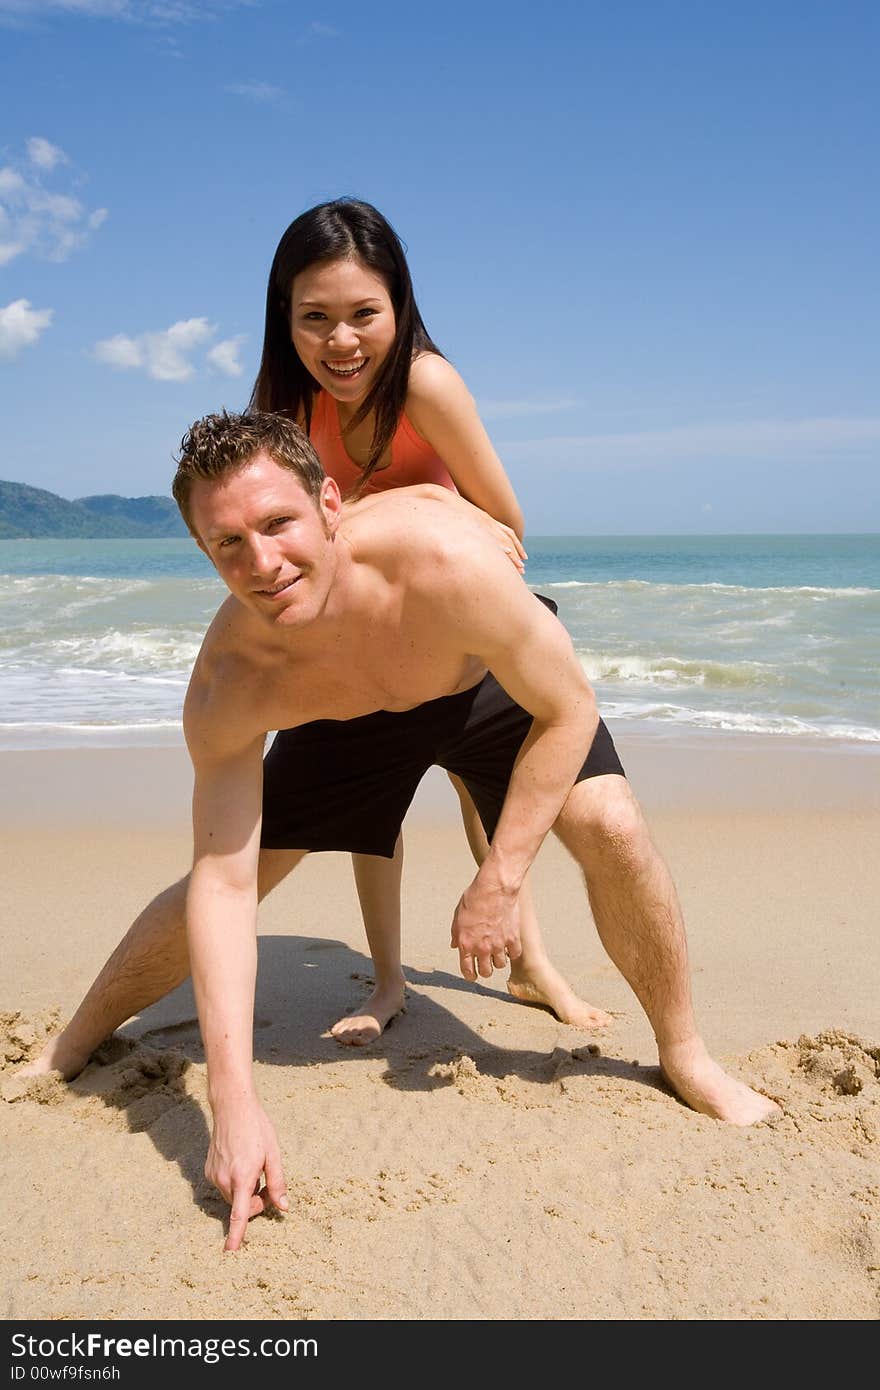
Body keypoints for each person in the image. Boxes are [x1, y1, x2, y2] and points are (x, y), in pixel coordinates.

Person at [24, 410, 780, 1252]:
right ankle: (75, 1043)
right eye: (227, 543)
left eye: (279, 523)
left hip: (478, 681)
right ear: (204, 553)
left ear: (331, 506)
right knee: (236, 870)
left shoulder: (446, 567)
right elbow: (225, 884)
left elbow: (568, 710)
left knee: (610, 821)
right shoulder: (232, 679)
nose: (262, 563)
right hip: (346, 717)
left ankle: (686, 1054)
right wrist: (234, 1106)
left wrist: (501, 876)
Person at [250, 195, 608, 1043]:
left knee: (485, 796)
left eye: (364, 314)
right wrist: (412, 499)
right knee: (377, 806)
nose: (342, 341)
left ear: (399, 307)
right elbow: (301, 539)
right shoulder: (283, 406)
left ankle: (532, 962)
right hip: (356, 628)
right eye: (316, 318)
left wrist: (403, 505)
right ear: (285, 319)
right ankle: (386, 985)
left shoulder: (425, 381)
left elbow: (507, 525)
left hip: (458, 617)